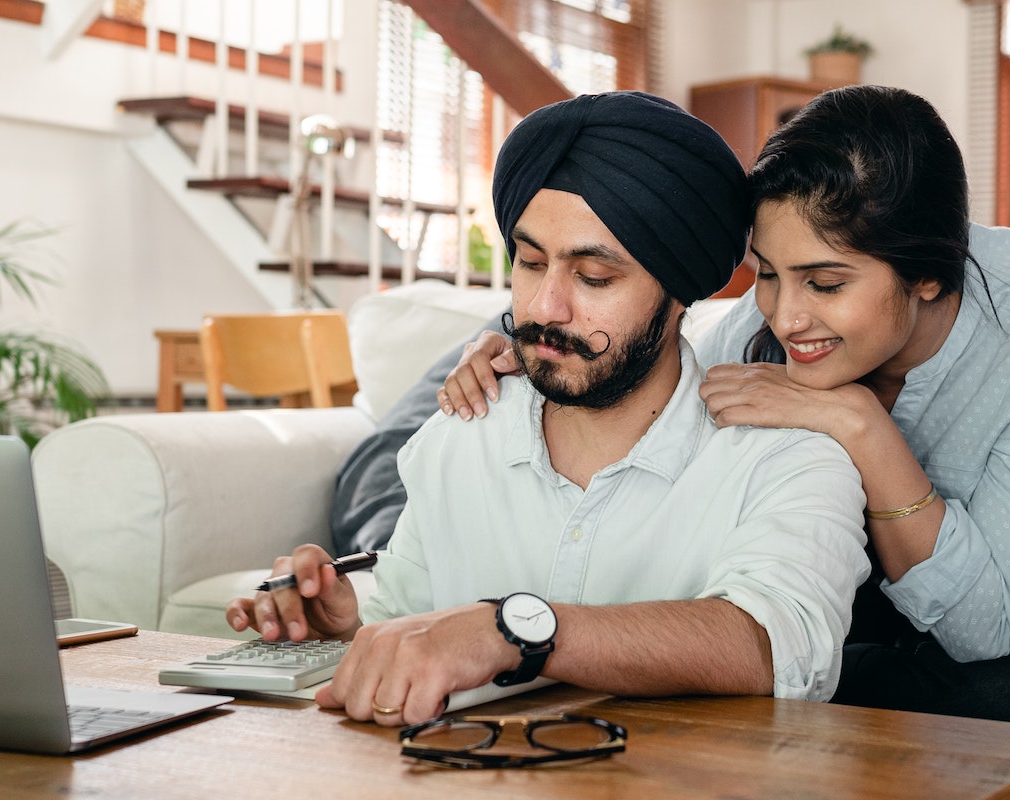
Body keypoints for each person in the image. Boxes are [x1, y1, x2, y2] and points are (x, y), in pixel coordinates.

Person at [441, 85, 1010, 730]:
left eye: (825, 283)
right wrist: (534, 350)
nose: (786, 317)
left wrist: (861, 425)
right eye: (768, 274)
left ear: (930, 274)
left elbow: (986, 624)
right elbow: (660, 397)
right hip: (847, 575)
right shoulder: (758, 330)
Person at [229, 90, 870, 726]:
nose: (545, 309)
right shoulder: (464, 429)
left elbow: (779, 649)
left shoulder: (787, 454)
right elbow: (409, 624)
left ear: (682, 291)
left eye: (593, 278)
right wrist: (344, 630)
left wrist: (514, 630)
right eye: (530, 263)